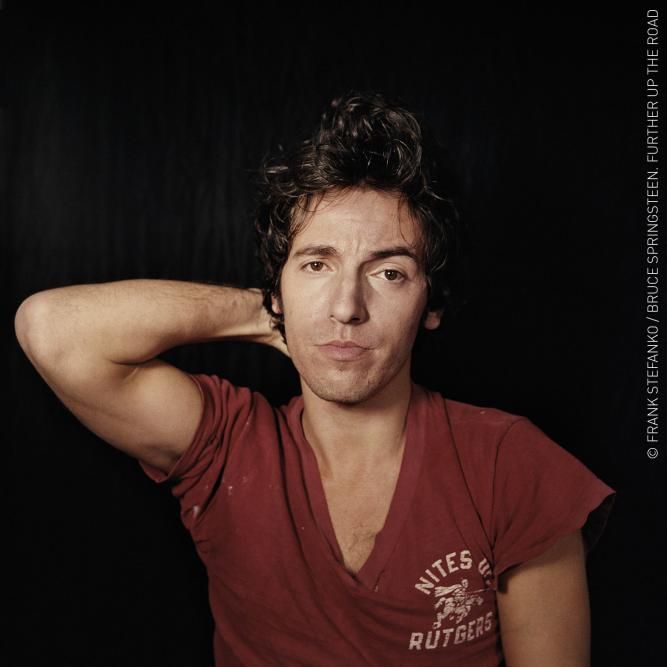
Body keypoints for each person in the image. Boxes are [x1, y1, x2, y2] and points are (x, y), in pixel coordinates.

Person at [15, 90, 615, 666]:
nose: (346, 307)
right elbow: (50, 328)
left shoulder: (510, 465)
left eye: (388, 273)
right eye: (317, 265)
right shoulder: (227, 446)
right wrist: (267, 314)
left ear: (432, 303)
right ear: (278, 287)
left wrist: (297, 307)